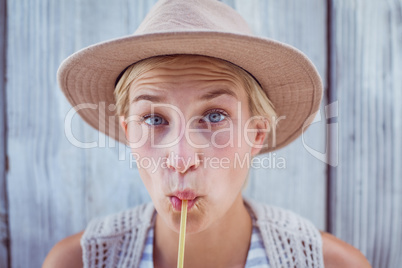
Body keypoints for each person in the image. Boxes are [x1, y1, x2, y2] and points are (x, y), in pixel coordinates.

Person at [43, 0, 371, 267]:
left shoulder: (332, 264)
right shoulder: (76, 262)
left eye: (214, 116)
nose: (182, 160)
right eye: (155, 119)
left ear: (256, 134)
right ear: (129, 133)